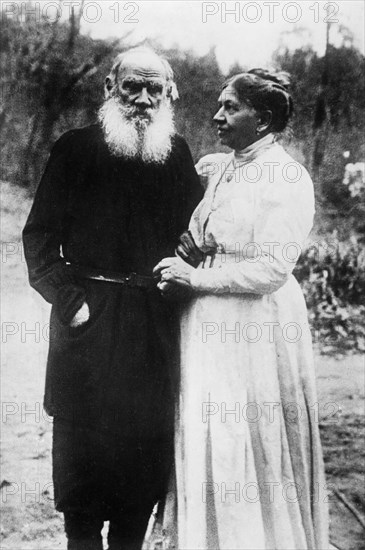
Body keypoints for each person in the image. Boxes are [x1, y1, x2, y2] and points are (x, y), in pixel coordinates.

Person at [22, 47, 202, 550]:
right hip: (88, 321)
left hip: (152, 326)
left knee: (140, 470)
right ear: (109, 89)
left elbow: (197, 234)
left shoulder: (177, 154)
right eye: (132, 88)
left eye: (154, 90)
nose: (143, 100)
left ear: (168, 95)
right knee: (82, 467)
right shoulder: (74, 149)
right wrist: (68, 300)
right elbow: (38, 239)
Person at [154, 70, 329, 549]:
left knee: (245, 433)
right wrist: (179, 267)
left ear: (264, 118)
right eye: (218, 105)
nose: (216, 116)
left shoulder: (287, 176)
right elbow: (198, 236)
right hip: (205, 318)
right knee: (208, 426)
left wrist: (198, 279)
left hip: (255, 324)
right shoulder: (219, 167)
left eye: (230, 107)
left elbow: (273, 269)